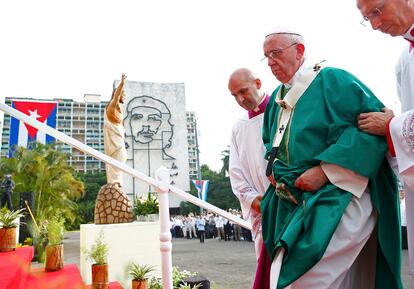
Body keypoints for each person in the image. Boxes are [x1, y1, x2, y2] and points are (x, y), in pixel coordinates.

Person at [253, 27, 402, 289]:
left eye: (276, 53)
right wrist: (273, 169)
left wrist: (326, 171)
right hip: (289, 201)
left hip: (336, 195)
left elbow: (373, 129)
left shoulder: (333, 81)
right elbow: (270, 145)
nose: (270, 62)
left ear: (299, 51)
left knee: (303, 279)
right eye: (266, 56)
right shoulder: (277, 100)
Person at [356, 0, 414, 282]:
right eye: (367, 18)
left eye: (377, 11)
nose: (376, 25)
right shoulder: (404, 60)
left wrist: (392, 126)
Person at [227, 68, 270, 258]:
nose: (240, 100)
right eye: (234, 95)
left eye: (243, 91)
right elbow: (235, 173)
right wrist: (253, 200)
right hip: (261, 208)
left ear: (258, 84)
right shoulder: (239, 127)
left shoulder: (284, 111)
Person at [104, 73, 127, 187]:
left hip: (119, 140)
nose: (124, 95)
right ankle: (115, 185)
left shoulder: (119, 109)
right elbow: (116, 97)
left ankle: (117, 184)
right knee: (116, 165)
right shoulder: (112, 106)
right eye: (123, 93)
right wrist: (122, 83)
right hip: (115, 143)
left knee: (120, 164)